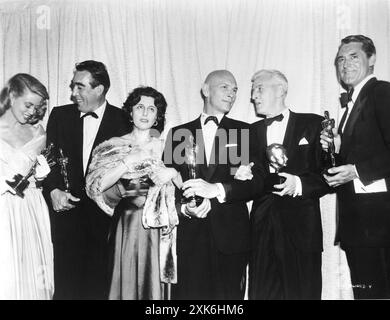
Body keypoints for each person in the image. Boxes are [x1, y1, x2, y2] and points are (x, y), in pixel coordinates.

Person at [164, 70, 260, 300]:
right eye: (225, 87)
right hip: (189, 237)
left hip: (231, 238)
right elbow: (169, 186)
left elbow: (254, 185)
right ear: (206, 90)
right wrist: (185, 208)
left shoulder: (243, 132)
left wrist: (216, 192)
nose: (232, 94)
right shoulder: (179, 134)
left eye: (235, 89)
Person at [43, 60, 130, 299]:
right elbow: (47, 161)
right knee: (66, 290)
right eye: (73, 86)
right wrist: (53, 191)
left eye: (80, 87)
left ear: (99, 89)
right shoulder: (59, 116)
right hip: (67, 222)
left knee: (99, 290)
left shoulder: (124, 121)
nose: (73, 93)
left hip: (106, 226)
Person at [86, 86, 180, 300]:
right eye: (140, 107)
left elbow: (184, 185)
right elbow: (95, 187)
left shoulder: (168, 147)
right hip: (126, 224)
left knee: (154, 285)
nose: (145, 113)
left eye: (151, 109)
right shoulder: (112, 146)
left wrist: (173, 171)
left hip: (159, 226)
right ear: (130, 112)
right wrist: (126, 162)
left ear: (158, 116)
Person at [247, 69, 329, 300]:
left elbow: (332, 175)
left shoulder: (314, 123)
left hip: (302, 232)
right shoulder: (249, 132)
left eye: (259, 88)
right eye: (253, 91)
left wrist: (300, 184)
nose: (254, 96)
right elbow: (245, 180)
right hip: (262, 230)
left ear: (281, 90)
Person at [320, 35, 390, 299]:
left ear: (371, 59)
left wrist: (356, 171)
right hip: (360, 227)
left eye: (353, 57)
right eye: (340, 59)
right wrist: (337, 148)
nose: (345, 64)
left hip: (380, 226)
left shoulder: (382, 92)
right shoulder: (351, 104)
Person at [0, 73, 54, 299]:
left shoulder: (38, 133)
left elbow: (35, 177)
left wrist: (41, 178)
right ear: (12, 96)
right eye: (28, 104)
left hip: (30, 208)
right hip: (3, 208)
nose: (32, 111)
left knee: (32, 274)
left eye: (37, 107)